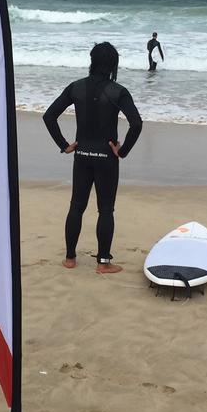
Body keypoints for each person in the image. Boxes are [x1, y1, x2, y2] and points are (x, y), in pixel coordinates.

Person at [43, 42, 143, 273]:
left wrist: (65, 146)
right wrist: (123, 150)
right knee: (105, 210)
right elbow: (136, 124)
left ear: (91, 61)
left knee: (76, 206)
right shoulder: (118, 91)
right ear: (113, 64)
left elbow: (49, 116)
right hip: (107, 158)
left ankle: (70, 258)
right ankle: (103, 263)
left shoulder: (76, 87)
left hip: (82, 155)